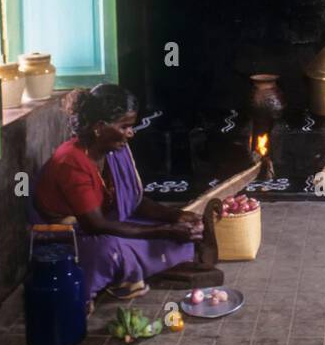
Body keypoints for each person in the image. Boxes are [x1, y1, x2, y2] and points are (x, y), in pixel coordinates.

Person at [32, 84, 204, 302]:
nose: (131, 133)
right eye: (124, 127)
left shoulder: (111, 151)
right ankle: (121, 273)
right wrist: (165, 230)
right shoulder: (72, 162)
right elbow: (95, 225)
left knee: (175, 234)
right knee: (112, 249)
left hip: (101, 222)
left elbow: (133, 200)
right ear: (99, 127)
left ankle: (131, 270)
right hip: (67, 236)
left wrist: (176, 216)